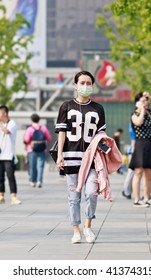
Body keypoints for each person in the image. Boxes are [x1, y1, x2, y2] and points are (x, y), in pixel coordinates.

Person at [55, 71, 107, 244]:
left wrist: (108, 153)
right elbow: (62, 133)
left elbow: (101, 135)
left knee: (92, 193)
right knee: (73, 197)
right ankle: (76, 230)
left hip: (91, 159)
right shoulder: (66, 106)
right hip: (71, 157)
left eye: (88, 83)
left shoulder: (98, 108)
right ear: (75, 85)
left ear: (92, 85)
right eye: (82, 83)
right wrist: (60, 155)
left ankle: (88, 226)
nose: (85, 86)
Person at [122, 117, 151, 199]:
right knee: (134, 173)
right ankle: (128, 192)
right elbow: (133, 137)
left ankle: (146, 195)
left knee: (143, 174)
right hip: (136, 150)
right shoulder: (135, 118)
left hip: (145, 149)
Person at [0, 105, 21, 205]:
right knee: (0, 177)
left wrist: (0, 124)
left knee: (10, 176)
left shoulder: (12, 123)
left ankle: (13, 196)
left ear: (4, 113)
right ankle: (1, 196)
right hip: (0, 155)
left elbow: (7, 132)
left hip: (9, 155)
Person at [24, 114, 51, 188]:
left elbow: (26, 140)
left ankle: (33, 181)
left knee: (32, 166)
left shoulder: (29, 129)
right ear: (39, 120)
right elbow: (49, 138)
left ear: (31, 120)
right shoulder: (43, 128)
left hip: (32, 150)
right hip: (42, 149)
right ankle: (39, 181)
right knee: (41, 166)